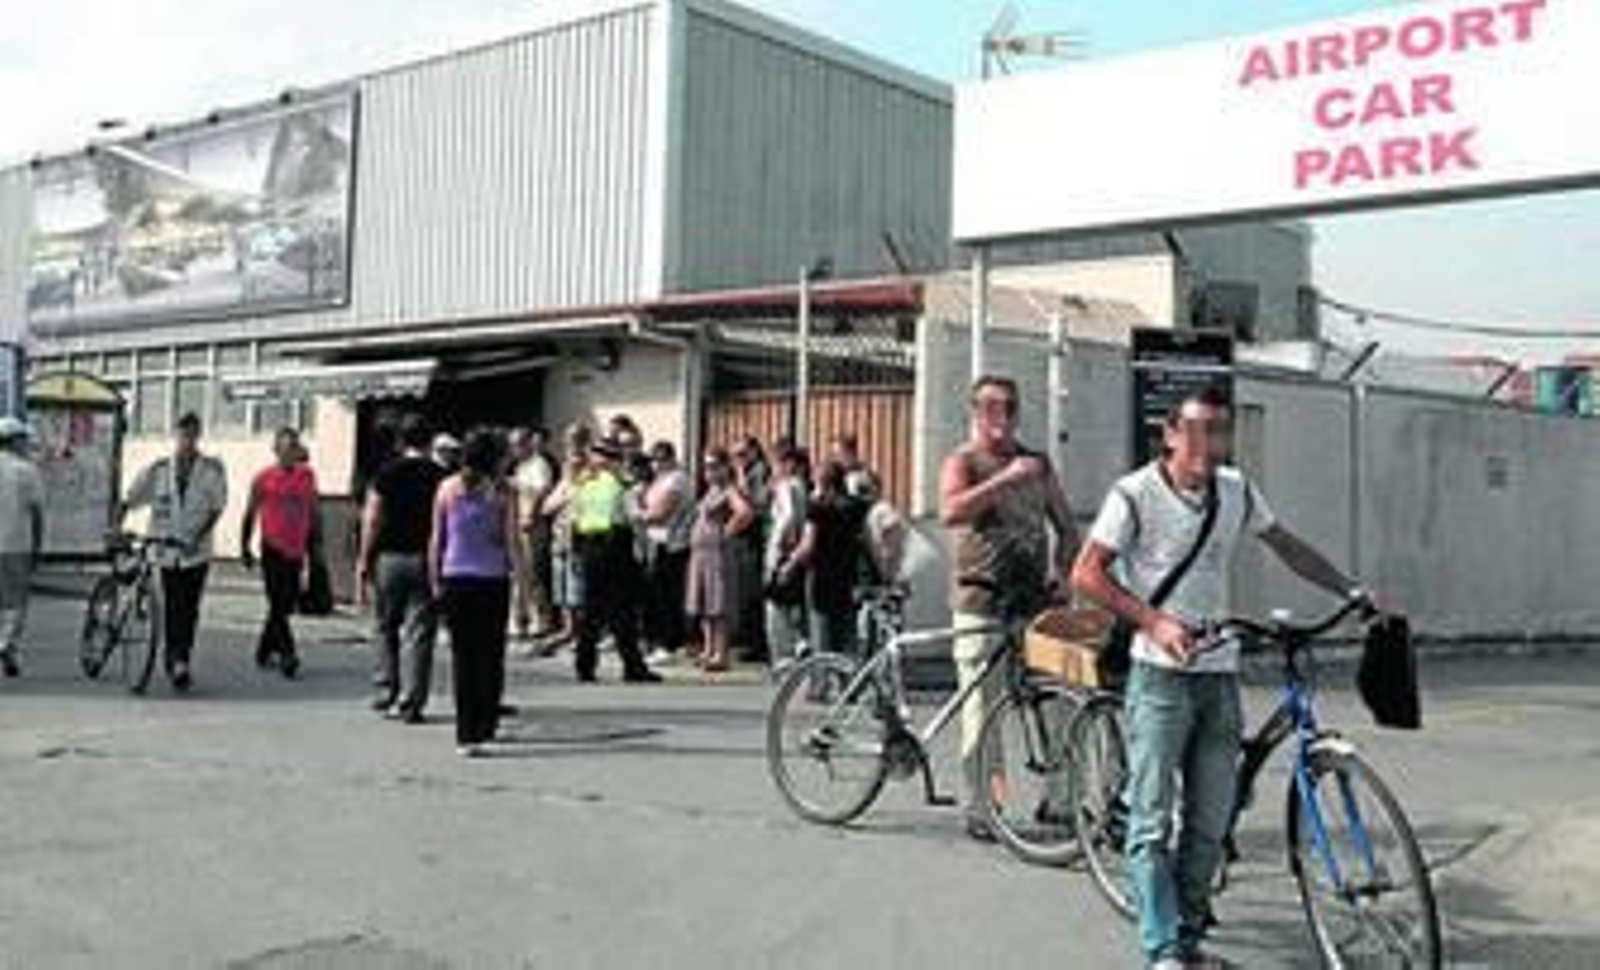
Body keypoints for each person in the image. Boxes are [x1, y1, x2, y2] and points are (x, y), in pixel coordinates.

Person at [1071, 386, 1370, 970]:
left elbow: (1285, 544)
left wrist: (1351, 590)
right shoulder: (1133, 495)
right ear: (1172, 435)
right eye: (1199, 429)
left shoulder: (1235, 491)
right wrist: (1155, 622)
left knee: (1212, 820)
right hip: (1159, 676)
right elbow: (1086, 574)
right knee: (1153, 822)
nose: (1209, 443)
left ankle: (1187, 937)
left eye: (1220, 430)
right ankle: (1163, 951)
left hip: (1218, 673)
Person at [939, 376, 1079, 841]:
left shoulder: (1037, 463)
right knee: (983, 705)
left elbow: (1066, 525)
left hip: (1036, 597)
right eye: (989, 407)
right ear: (974, 411)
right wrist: (1003, 480)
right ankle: (985, 805)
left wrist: (1062, 572)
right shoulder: (964, 460)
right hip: (981, 598)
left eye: (1009, 407)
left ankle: (1060, 799)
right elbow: (952, 512)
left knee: (1063, 696)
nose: (1000, 416)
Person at [429, 429, 525, 757]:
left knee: (463, 657)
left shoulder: (447, 488)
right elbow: (512, 540)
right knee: (491, 655)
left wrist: (435, 580)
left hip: (455, 576)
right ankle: (487, 724)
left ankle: (466, 734)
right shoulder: (504, 491)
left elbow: (437, 539)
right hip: (492, 578)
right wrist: (524, 587)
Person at [121, 412, 229, 692]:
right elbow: (130, 498)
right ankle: (174, 659)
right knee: (172, 606)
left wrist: (198, 537)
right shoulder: (158, 470)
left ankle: (181, 659)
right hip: (166, 550)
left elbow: (217, 508)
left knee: (189, 609)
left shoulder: (211, 470)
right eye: (183, 435)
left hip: (196, 552)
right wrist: (116, 525)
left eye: (192, 435)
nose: (187, 441)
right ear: (176, 435)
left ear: (198, 436)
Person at [357, 414, 447, 723]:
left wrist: (363, 559)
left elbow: (372, 518)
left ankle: (386, 689)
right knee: (420, 632)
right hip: (426, 558)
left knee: (384, 625)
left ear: (400, 441)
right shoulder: (441, 476)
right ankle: (412, 701)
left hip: (390, 557)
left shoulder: (386, 474)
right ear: (430, 440)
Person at [569, 437, 661, 684]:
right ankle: (633, 667)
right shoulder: (621, 486)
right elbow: (635, 518)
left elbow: (575, 520)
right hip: (615, 548)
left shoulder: (585, 485)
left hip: (589, 548)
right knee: (623, 611)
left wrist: (577, 553)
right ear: (615, 460)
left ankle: (584, 667)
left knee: (590, 612)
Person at [240, 428, 320, 679]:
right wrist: (244, 546)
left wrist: (316, 546)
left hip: (296, 549)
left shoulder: (307, 476)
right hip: (271, 547)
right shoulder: (263, 478)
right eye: (285, 448)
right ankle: (288, 654)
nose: (289, 454)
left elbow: (314, 513)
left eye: (293, 448)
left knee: (284, 605)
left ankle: (264, 648)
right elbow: (250, 513)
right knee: (277, 600)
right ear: (276, 451)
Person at [780, 461, 869, 659]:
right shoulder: (857, 506)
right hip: (848, 576)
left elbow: (808, 545)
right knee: (846, 632)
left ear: (823, 483)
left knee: (822, 634)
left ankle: (823, 682)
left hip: (822, 578)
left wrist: (790, 564)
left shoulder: (819, 509)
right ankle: (847, 681)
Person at [684, 447, 755, 673]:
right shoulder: (711, 490)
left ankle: (721, 653)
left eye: (714, 466)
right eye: (706, 466)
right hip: (701, 553)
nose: (709, 471)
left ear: (725, 467)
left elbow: (745, 513)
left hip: (717, 553)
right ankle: (708, 649)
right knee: (704, 603)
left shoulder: (729, 489)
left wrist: (727, 531)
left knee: (718, 603)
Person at [640, 440, 694, 664]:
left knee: (667, 596)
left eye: (661, 459)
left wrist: (637, 513)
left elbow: (660, 514)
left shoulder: (677, 480)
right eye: (654, 459)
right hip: (656, 541)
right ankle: (660, 642)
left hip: (672, 544)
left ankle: (670, 644)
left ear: (671, 458)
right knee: (656, 595)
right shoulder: (659, 480)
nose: (656, 463)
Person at [541, 423, 592, 652]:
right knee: (561, 588)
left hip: (578, 537)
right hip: (560, 535)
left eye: (575, 440)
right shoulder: (565, 472)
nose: (572, 448)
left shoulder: (590, 471)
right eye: (569, 441)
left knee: (576, 589)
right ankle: (568, 629)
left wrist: (566, 500)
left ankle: (578, 632)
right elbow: (547, 507)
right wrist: (562, 500)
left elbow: (581, 503)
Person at [0, 417, 44, 679]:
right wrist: (38, 546)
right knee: (15, 602)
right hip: (16, 545)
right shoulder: (27, 470)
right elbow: (37, 513)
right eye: (23, 439)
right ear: (15, 441)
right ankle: (7, 645)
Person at [509, 427, 559, 641]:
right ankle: (520, 621)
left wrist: (530, 515)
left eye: (518, 444)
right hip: (519, 522)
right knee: (519, 574)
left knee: (534, 572)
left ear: (528, 443)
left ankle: (541, 621)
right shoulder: (521, 466)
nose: (514, 449)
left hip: (534, 524)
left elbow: (542, 491)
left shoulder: (540, 464)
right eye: (513, 445)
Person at [763, 444, 811, 669]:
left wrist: (782, 545)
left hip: (783, 553)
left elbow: (789, 517)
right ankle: (799, 644)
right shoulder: (801, 485)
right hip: (796, 551)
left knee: (776, 607)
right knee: (792, 603)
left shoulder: (786, 485)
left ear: (789, 464)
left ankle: (784, 657)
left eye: (776, 463)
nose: (774, 468)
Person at [731, 435, 770, 662]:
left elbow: (755, 504)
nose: (739, 459)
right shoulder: (749, 471)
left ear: (754, 451)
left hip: (756, 538)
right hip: (747, 538)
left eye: (742, 454)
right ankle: (750, 641)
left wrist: (739, 477)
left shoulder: (759, 472)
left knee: (754, 592)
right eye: (736, 455)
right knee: (747, 591)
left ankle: (758, 644)